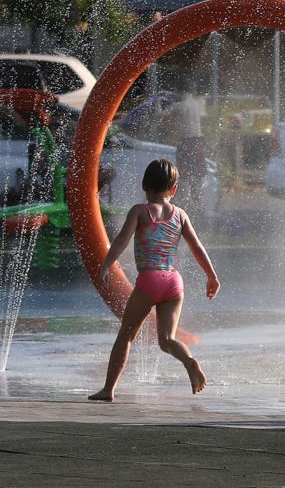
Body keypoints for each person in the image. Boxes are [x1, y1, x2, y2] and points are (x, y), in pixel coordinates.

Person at [88, 159, 220, 402]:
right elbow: (197, 247)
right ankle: (189, 361)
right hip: (173, 282)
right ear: (174, 189)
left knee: (126, 335)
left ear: (144, 185)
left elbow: (121, 241)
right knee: (167, 340)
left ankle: (108, 390)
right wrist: (211, 276)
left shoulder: (140, 211)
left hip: (150, 280)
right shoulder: (180, 214)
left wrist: (106, 265)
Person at [173, 84, 208, 213]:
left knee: (183, 170)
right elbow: (204, 119)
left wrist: (159, 102)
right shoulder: (199, 103)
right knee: (200, 170)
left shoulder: (179, 106)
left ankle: (186, 200)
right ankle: (198, 198)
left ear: (180, 92)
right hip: (198, 140)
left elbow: (160, 114)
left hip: (185, 141)